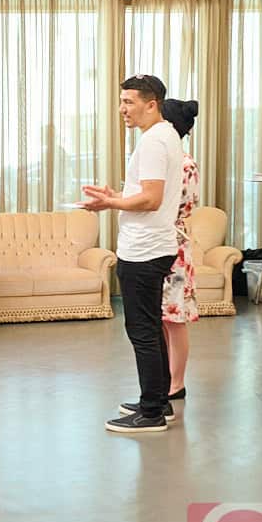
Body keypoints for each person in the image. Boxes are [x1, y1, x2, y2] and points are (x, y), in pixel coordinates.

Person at [82, 74, 183, 433]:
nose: (122, 109)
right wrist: (118, 195)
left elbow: (151, 199)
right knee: (151, 328)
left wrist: (110, 203)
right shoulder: (166, 134)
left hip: (144, 250)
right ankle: (158, 401)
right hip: (154, 245)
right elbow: (148, 193)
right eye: (122, 101)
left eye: (129, 102)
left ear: (151, 104)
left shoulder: (154, 141)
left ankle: (151, 413)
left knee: (142, 330)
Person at [157, 99, 200, 401]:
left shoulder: (185, 164)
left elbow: (176, 205)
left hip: (174, 244)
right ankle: (164, 378)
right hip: (159, 241)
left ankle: (177, 382)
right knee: (161, 317)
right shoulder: (168, 161)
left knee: (174, 319)